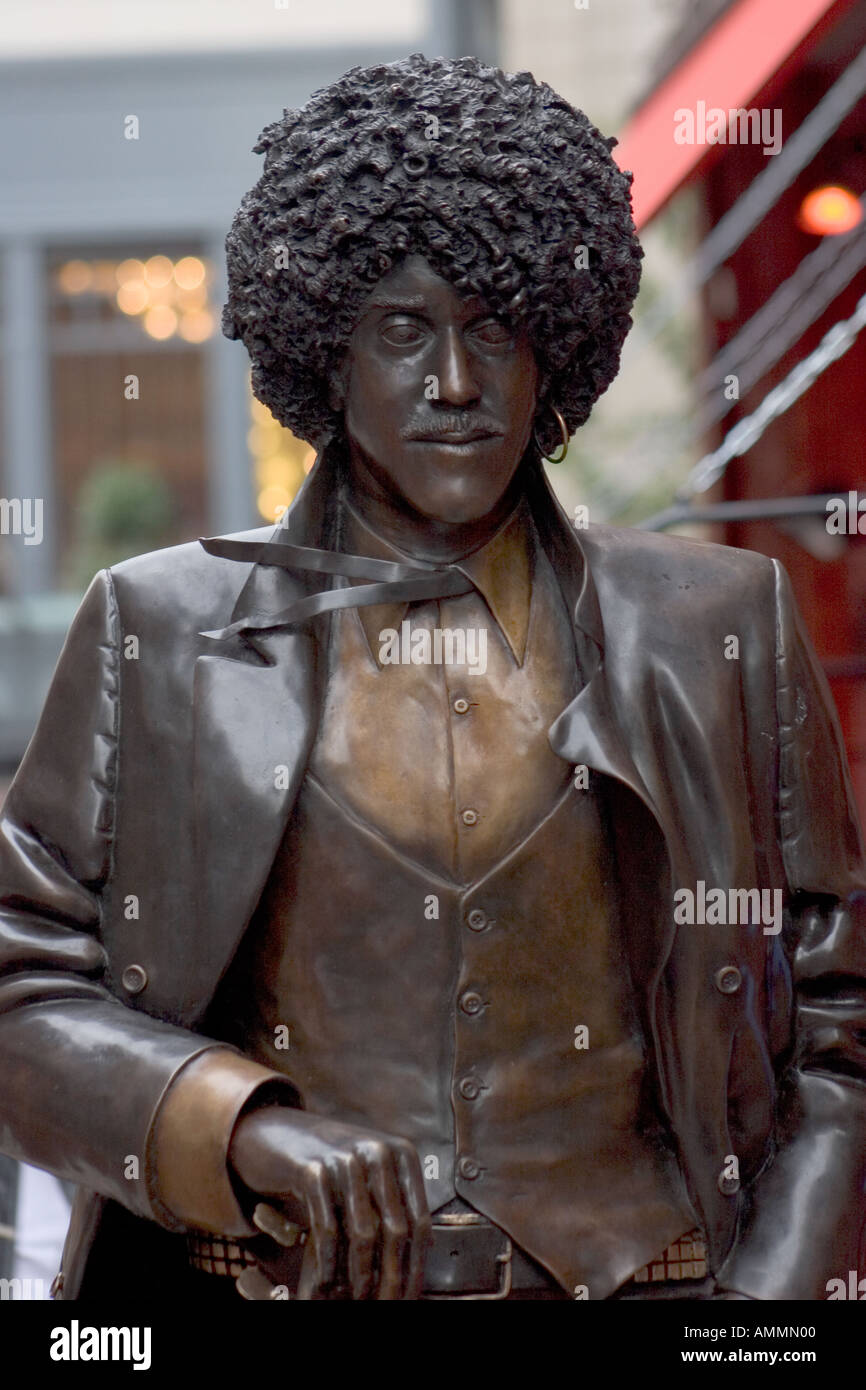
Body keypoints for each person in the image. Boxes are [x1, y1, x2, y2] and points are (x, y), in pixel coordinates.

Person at [1, 53, 864, 1303]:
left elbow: (838, 1030)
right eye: (401, 332)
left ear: (551, 346)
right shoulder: (158, 626)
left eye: (491, 329)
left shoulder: (715, 622)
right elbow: (22, 984)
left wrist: (765, 1321)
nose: (453, 386)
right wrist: (233, 1124)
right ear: (324, 348)